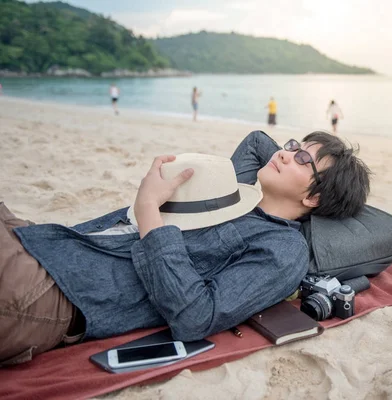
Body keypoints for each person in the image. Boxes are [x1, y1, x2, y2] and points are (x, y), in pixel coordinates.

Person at [0, 130, 371, 365]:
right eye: (292, 145)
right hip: (49, 240)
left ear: (314, 197)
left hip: (55, 289)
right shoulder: (234, 193)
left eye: (304, 159)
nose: (286, 153)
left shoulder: (282, 247)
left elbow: (196, 316)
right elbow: (257, 141)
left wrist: (149, 211)